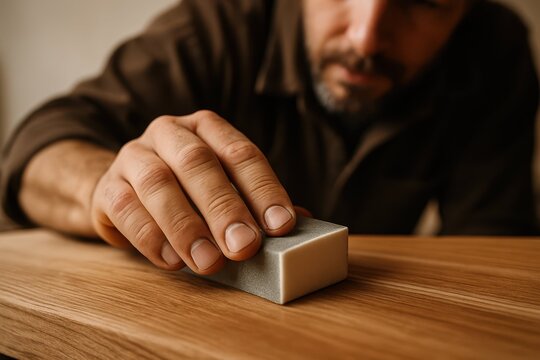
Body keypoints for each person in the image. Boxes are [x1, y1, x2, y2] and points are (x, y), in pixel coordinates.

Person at [1, 0, 538, 274]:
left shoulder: (496, 52)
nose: (366, 36)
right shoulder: (220, 24)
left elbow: (494, 243)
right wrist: (107, 187)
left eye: (425, 1)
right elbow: (40, 143)